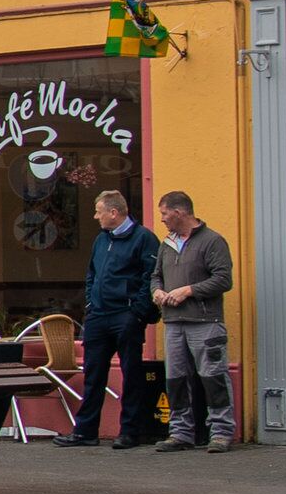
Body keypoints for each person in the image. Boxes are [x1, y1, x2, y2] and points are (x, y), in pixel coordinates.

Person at [63, 190, 161, 447]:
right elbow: (92, 274)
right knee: (93, 373)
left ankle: (130, 431)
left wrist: (137, 312)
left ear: (113, 213)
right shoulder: (101, 240)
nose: (96, 216)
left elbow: (150, 276)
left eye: (99, 211)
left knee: (132, 373)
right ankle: (85, 432)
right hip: (99, 314)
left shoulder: (144, 239)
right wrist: (90, 303)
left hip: (125, 315)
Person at [151, 190, 235, 452]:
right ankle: (180, 432)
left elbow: (223, 279)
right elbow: (155, 276)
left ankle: (221, 432)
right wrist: (157, 291)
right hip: (173, 322)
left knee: (213, 376)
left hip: (205, 322)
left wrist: (188, 290)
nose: (162, 219)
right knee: (175, 379)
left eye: (165, 213)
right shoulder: (168, 244)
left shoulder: (212, 241)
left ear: (179, 212)